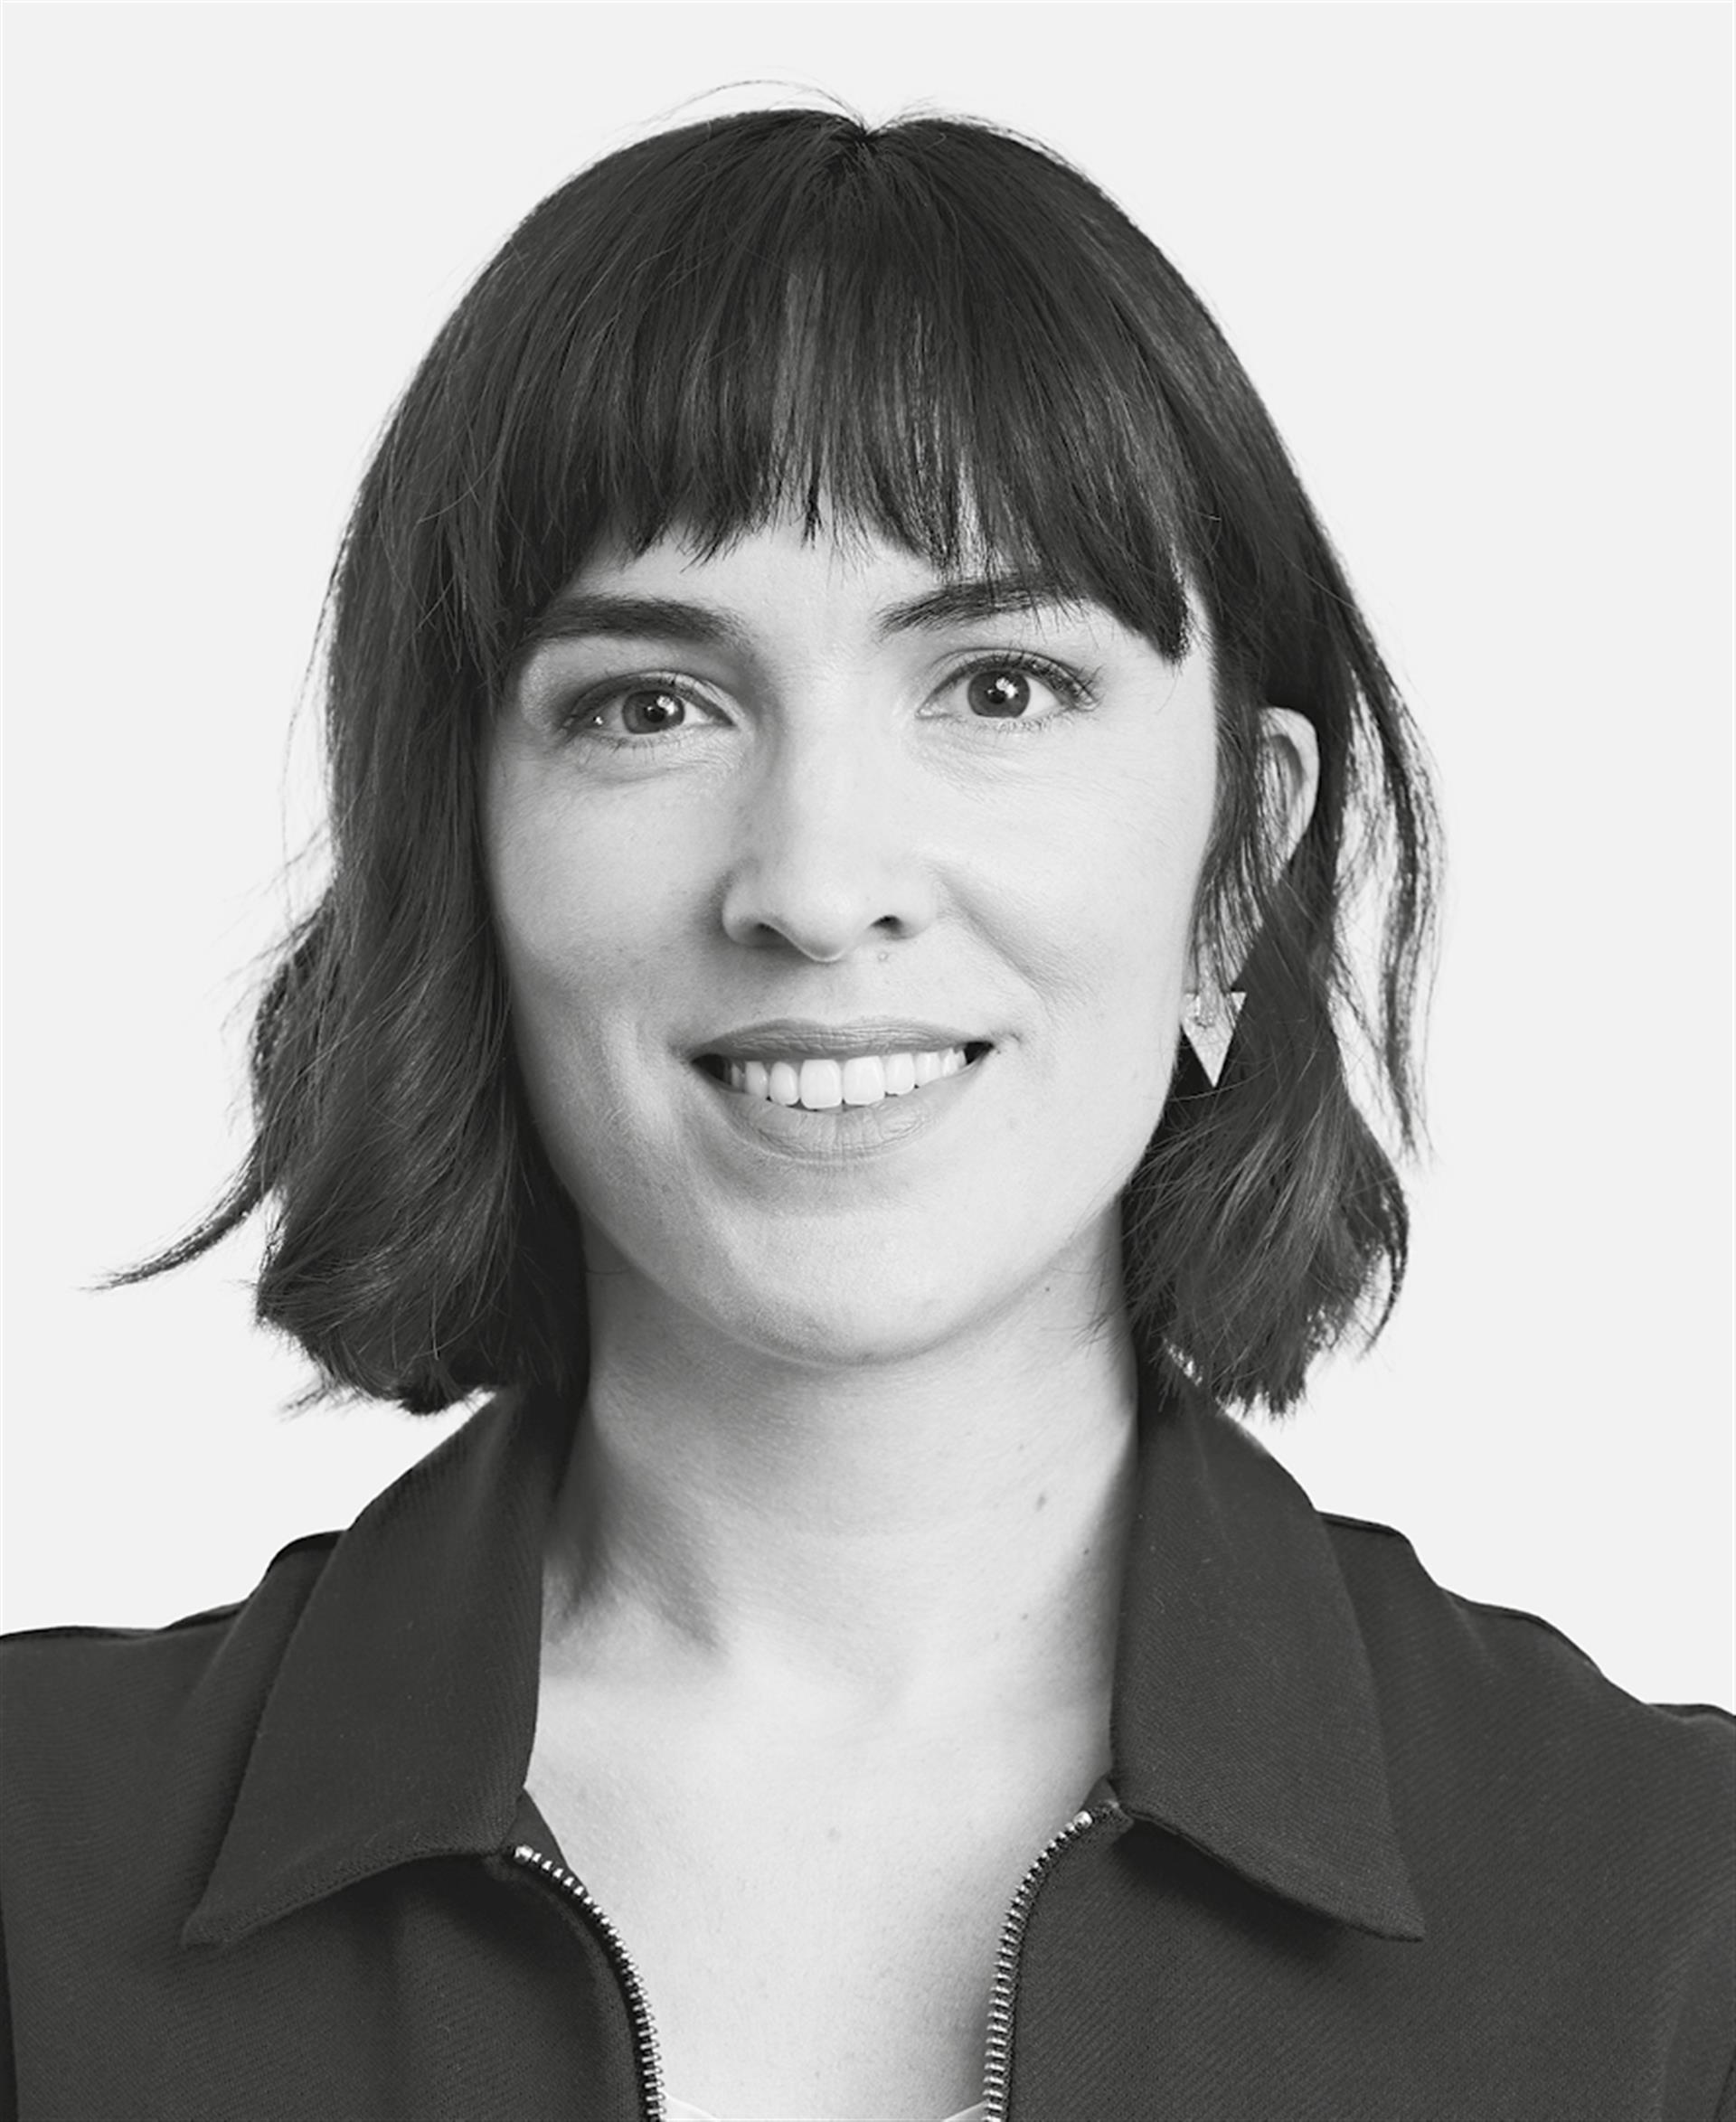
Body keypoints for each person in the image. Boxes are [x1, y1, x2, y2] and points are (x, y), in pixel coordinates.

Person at [1, 104, 1730, 2122]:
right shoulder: (38, 1870)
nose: (818, 885)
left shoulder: (1673, 1919)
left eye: (997, 685)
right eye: (650, 705)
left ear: (1238, 871)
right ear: (455, 849)